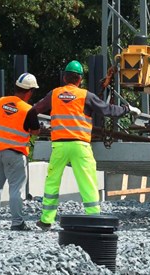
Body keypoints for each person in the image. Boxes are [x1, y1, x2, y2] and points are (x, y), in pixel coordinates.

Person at [25, 61, 133, 230]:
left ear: (64, 77)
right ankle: (94, 217)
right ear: (80, 79)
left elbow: (32, 111)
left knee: (52, 182)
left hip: (59, 146)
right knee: (87, 182)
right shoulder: (85, 96)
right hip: (80, 145)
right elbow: (107, 110)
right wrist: (127, 109)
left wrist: (34, 129)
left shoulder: (54, 94)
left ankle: (46, 219)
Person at [0, 73, 40, 230]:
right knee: (16, 189)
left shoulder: (0, 101)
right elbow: (35, 131)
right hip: (15, 153)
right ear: (29, 91)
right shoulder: (28, 110)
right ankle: (17, 222)